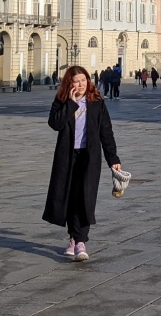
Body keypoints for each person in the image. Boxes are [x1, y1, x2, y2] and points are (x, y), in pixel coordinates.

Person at [43, 66, 121, 262]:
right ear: (69, 83)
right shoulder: (62, 101)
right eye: (76, 81)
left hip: (89, 156)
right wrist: (71, 103)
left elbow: (106, 132)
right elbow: (55, 124)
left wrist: (113, 159)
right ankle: (72, 238)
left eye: (83, 81)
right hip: (67, 156)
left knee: (85, 197)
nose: (80, 85)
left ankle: (81, 241)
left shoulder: (97, 103)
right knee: (69, 196)